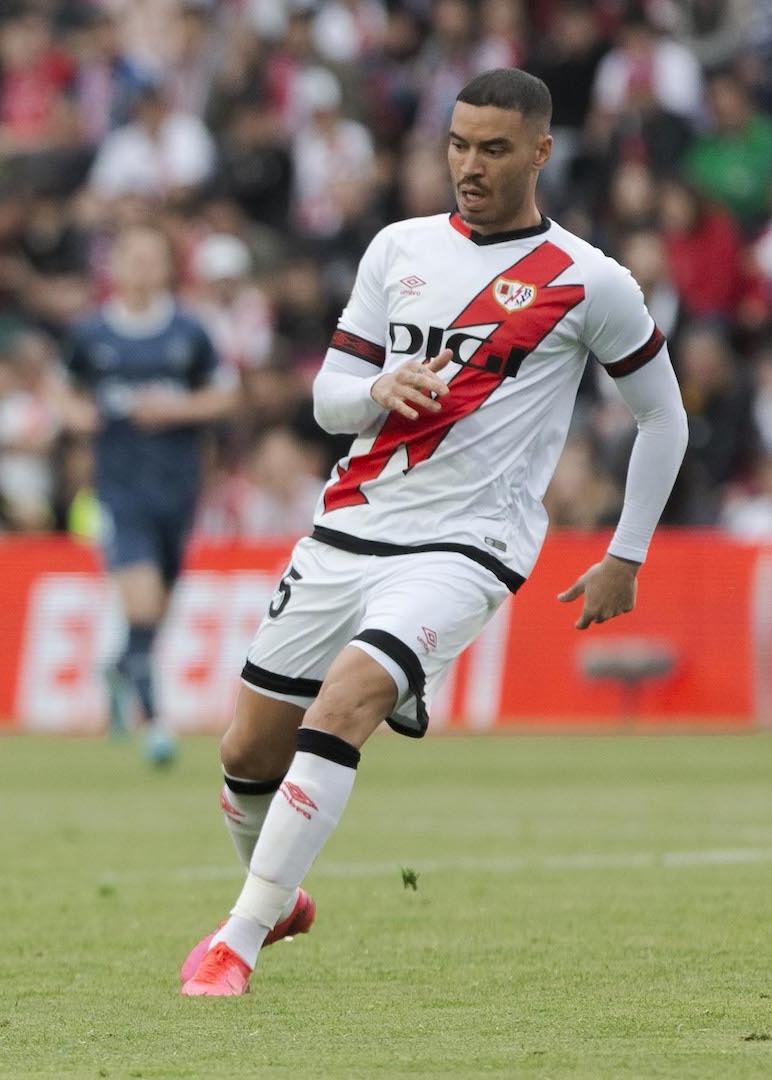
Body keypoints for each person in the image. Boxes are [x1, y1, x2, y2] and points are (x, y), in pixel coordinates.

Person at [179, 69, 688, 997]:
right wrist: (374, 389)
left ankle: (236, 943)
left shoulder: (587, 280)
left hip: (470, 544)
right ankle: (280, 895)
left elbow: (665, 417)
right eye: (458, 145)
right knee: (248, 752)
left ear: (540, 151)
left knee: (345, 704)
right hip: (352, 526)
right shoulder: (398, 249)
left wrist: (627, 552)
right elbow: (329, 398)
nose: (470, 166)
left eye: (494, 149)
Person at [64, 224, 237, 766]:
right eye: (130, 256)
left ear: (166, 267)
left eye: (150, 257)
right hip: (119, 491)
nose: (140, 267)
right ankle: (157, 723)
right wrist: (77, 416)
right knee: (139, 602)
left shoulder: (189, 331)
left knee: (157, 608)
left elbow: (225, 396)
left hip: (178, 489)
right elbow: (63, 392)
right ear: (113, 266)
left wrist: (175, 410)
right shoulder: (92, 334)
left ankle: (121, 670)